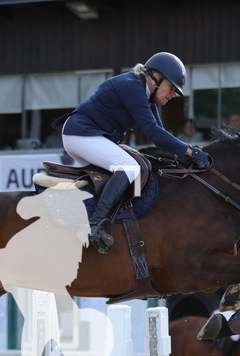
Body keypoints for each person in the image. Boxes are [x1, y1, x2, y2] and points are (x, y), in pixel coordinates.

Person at [54, 52, 211, 253]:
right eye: (172, 88)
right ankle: (96, 224)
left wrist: (185, 154)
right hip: (81, 134)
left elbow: (160, 133)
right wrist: (191, 151)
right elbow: (154, 133)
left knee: (131, 169)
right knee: (129, 167)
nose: (173, 94)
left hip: (88, 136)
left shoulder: (147, 95)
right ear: (155, 78)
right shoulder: (132, 86)